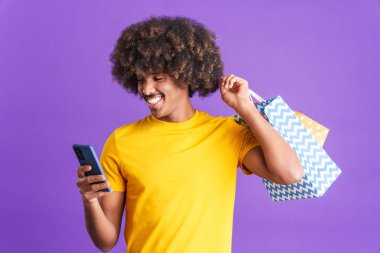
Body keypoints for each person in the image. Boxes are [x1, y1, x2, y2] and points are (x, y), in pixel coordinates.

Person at [75, 16, 304, 253]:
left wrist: (245, 108)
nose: (146, 89)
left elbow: (290, 173)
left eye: (158, 78)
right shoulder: (121, 141)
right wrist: (90, 201)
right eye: (141, 79)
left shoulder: (226, 133)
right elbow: (106, 241)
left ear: (184, 74)